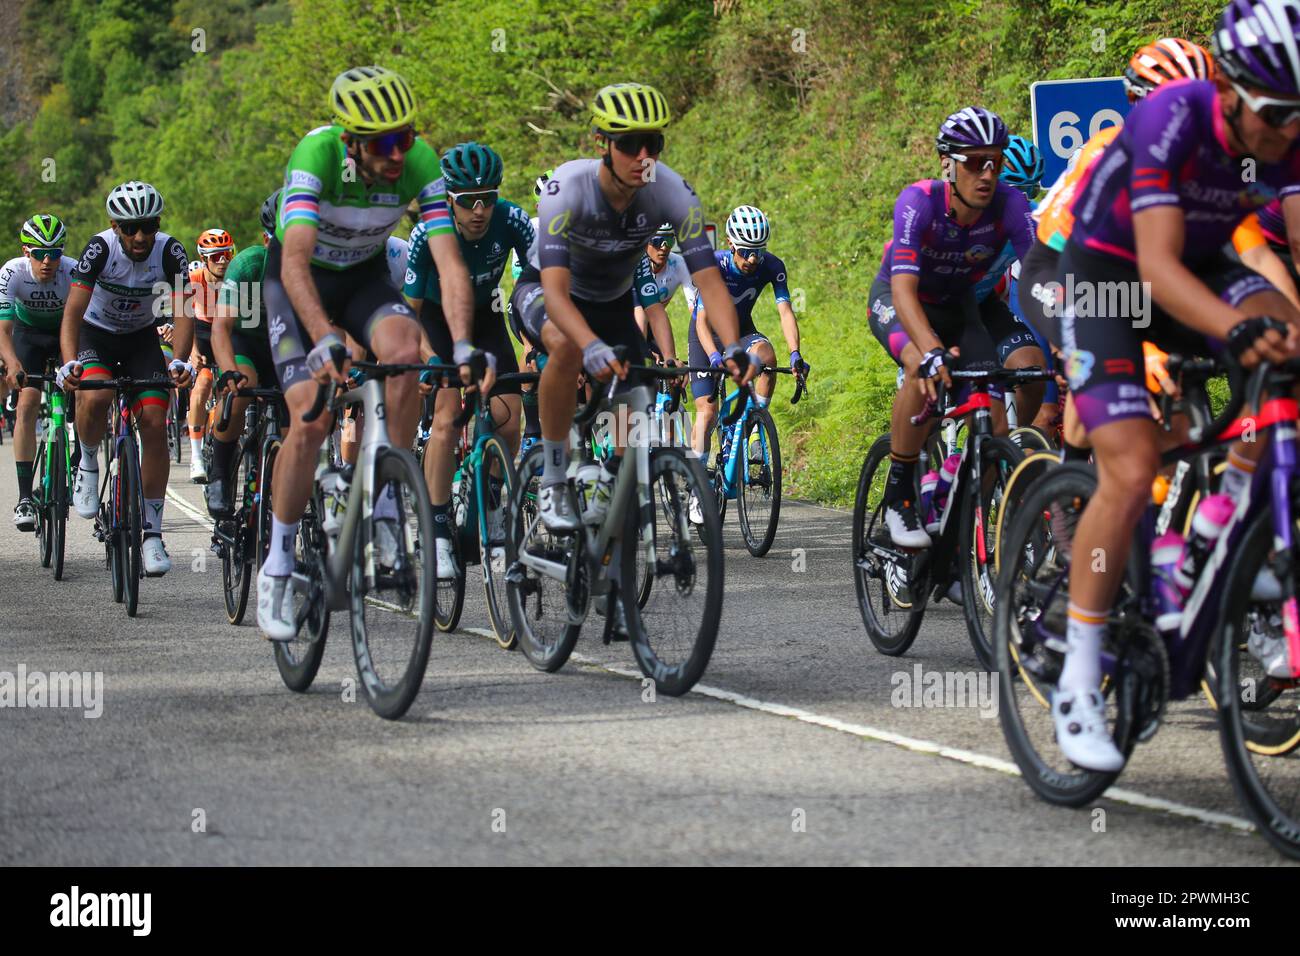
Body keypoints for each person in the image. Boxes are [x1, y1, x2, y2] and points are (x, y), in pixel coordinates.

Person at [1051, 0, 1300, 770]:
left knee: (1289, 346)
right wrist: (1234, 333)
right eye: (1275, 113)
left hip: (1203, 266)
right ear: (1227, 91)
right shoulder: (1170, 117)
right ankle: (1080, 675)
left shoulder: (1285, 133)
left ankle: (1211, 530)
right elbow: (1154, 266)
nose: (1287, 130)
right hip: (1108, 277)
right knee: (1127, 469)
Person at [256, 65, 482, 640]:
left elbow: (450, 263)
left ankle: (383, 497)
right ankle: (278, 565)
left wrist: (460, 345)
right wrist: (324, 335)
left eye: (405, 137)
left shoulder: (421, 162)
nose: (398, 153)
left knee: (406, 349)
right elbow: (293, 263)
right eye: (384, 143)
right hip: (298, 282)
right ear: (351, 141)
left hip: (363, 280)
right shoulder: (317, 156)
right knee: (311, 415)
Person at [868, 106, 1042, 548]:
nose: (986, 173)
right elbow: (904, 290)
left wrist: (1073, 343)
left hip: (961, 308)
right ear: (948, 163)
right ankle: (900, 493)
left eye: (995, 162)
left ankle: (962, 532)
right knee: (918, 367)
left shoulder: (1011, 204)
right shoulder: (920, 202)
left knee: (996, 425)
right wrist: (927, 349)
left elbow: (1046, 278)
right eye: (973, 162)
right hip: (900, 300)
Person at [403, 141, 532, 577]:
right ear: (449, 202)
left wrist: (539, 341)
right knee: (444, 415)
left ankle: (493, 512)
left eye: (488, 198)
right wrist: (429, 359)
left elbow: (541, 283)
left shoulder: (512, 220)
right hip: (435, 323)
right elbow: (410, 313)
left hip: (488, 316)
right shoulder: (428, 232)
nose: (480, 210)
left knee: (510, 418)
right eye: (468, 202)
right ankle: (437, 530)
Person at [58, 180, 196, 575]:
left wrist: (182, 360)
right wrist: (69, 363)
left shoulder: (170, 251)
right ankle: (86, 460)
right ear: (115, 226)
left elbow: (185, 309)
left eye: (148, 226)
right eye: (130, 227)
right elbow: (72, 312)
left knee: (154, 419)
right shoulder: (99, 248)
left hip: (140, 339)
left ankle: (152, 534)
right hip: (95, 335)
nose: (140, 236)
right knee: (96, 396)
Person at [685, 205, 805, 524]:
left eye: (758, 252)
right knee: (707, 411)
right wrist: (714, 357)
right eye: (746, 252)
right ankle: (698, 487)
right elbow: (701, 322)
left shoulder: (772, 266)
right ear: (730, 243)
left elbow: (785, 312)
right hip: (707, 336)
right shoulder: (715, 266)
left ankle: (752, 429)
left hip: (741, 332)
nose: (753, 260)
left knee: (767, 355)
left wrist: (796, 353)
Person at [205, 189, 283, 517]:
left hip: (286, 348)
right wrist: (227, 371)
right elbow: (220, 328)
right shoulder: (248, 265)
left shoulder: (318, 267)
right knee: (240, 392)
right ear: (267, 241)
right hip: (247, 344)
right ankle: (220, 475)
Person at [0, 215, 78, 530]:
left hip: (65, 334)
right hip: (27, 334)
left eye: (55, 254)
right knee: (27, 403)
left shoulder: (73, 271)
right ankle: (23, 498)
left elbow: (85, 323)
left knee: (86, 395)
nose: (47, 261)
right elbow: (3, 330)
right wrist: (13, 363)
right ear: (25, 252)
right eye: (38, 253)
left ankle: (78, 465)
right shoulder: (11, 272)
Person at [185, 228, 236, 481]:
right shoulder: (192, 278)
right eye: (216, 256)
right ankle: (195, 456)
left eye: (226, 254)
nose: (223, 261)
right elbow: (183, 319)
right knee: (203, 383)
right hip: (200, 332)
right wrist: (192, 351)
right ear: (204, 259)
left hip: (226, 332)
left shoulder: (238, 278)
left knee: (229, 392)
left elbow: (249, 322)